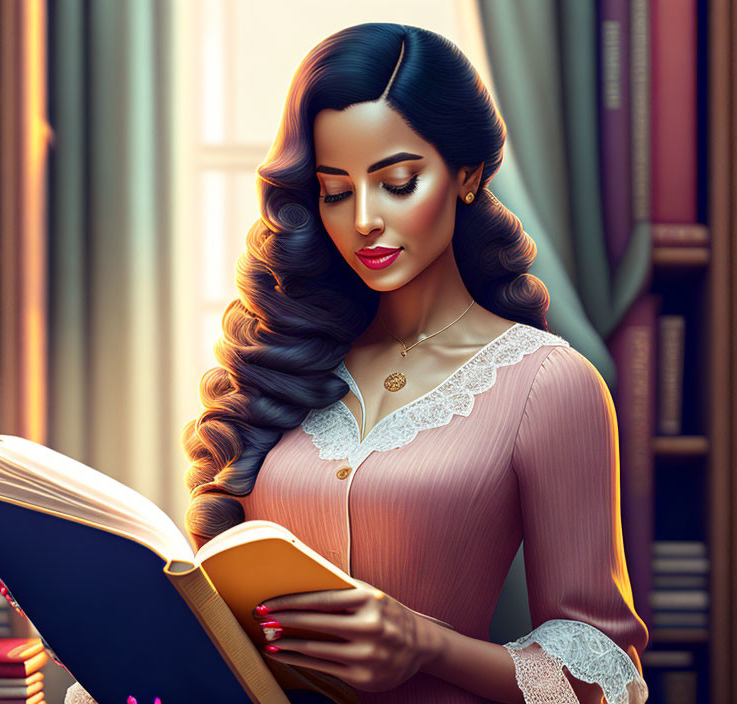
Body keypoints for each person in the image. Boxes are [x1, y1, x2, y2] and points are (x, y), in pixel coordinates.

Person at [179, 21, 649, 704]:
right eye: (335, 191)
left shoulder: (550, 385)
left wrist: (426, 646)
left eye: (396, 181)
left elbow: (606, 679)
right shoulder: (281, 363)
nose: (364, 219)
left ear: (466, 175)